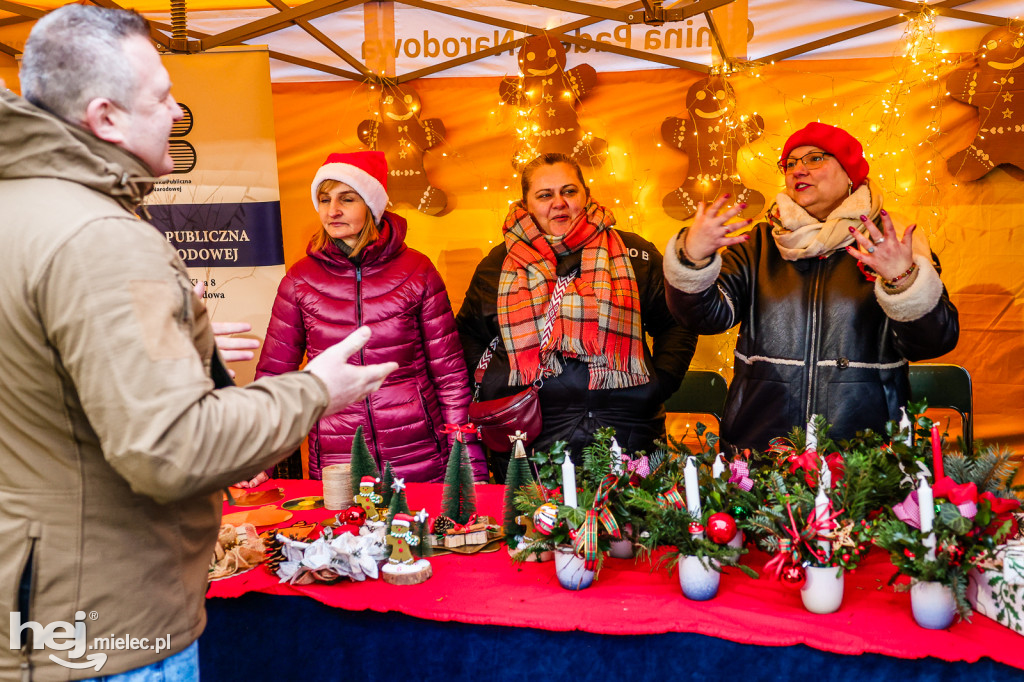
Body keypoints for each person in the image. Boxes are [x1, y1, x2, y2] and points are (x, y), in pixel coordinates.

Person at [0, 6, 396, 680]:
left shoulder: (24, 210)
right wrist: (315, 392)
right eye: (159, 95)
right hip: (106, 630)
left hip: (43, 603)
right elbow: (169, 448)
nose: (177, 108)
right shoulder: (101, 238)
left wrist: (182, 344)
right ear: (106, 118)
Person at [663, 122, 960, 451]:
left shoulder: (888, 242)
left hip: (866, 453)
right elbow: (703, 318)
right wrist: (693, 259)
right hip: (761, 447)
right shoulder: (759, 244)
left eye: (815, 158)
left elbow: (932, 343)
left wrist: (903, 280)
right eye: (790, 163)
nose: (798, 170)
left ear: (850, 174)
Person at [251, 151, 485, 484]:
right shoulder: (300, 280)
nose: (332, 210)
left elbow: (449, 374)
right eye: (324, 199)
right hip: (338, 454)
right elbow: (276, 373)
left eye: (346, 198)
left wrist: (467, 459)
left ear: (372, 205)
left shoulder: (418, 271)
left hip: (418, 451)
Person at [457, 153, 697, 477]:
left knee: (635, 526)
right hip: (534, 438)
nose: (559, 202)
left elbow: (677, 321)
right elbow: (469, 333)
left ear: (585, 195)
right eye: (545, 195)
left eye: (569, 191)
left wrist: (660, 383)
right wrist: (496, 384)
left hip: (629, 431)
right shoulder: (497, 265)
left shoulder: (634, 253)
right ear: (526, 204)